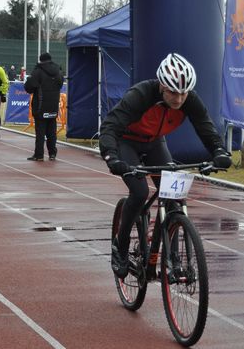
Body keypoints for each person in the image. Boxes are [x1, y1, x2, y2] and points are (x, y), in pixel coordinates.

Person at [99, 52, 232, 278]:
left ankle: (173, 256)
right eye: (173, 92)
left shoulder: (190, 100)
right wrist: (111, 157)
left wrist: (219, 151)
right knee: (140, 192)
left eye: (183, 93)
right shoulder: (140, 94)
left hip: (154, 143)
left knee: (173, 196)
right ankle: (120, 247)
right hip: (127, 141)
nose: (179, 99)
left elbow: (206, 128)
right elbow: (110, 126)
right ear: (161, 85)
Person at [24, 53, 64, 161]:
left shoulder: (38, 71)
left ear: (40, 60)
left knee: (40, 133)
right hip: (53, 105)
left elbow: (28, 88)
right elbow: (60, 84)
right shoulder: (58, 71)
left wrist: (30, 81)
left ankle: (39, 155)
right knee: (52, 132)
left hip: (40, 106)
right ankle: (52, 154)